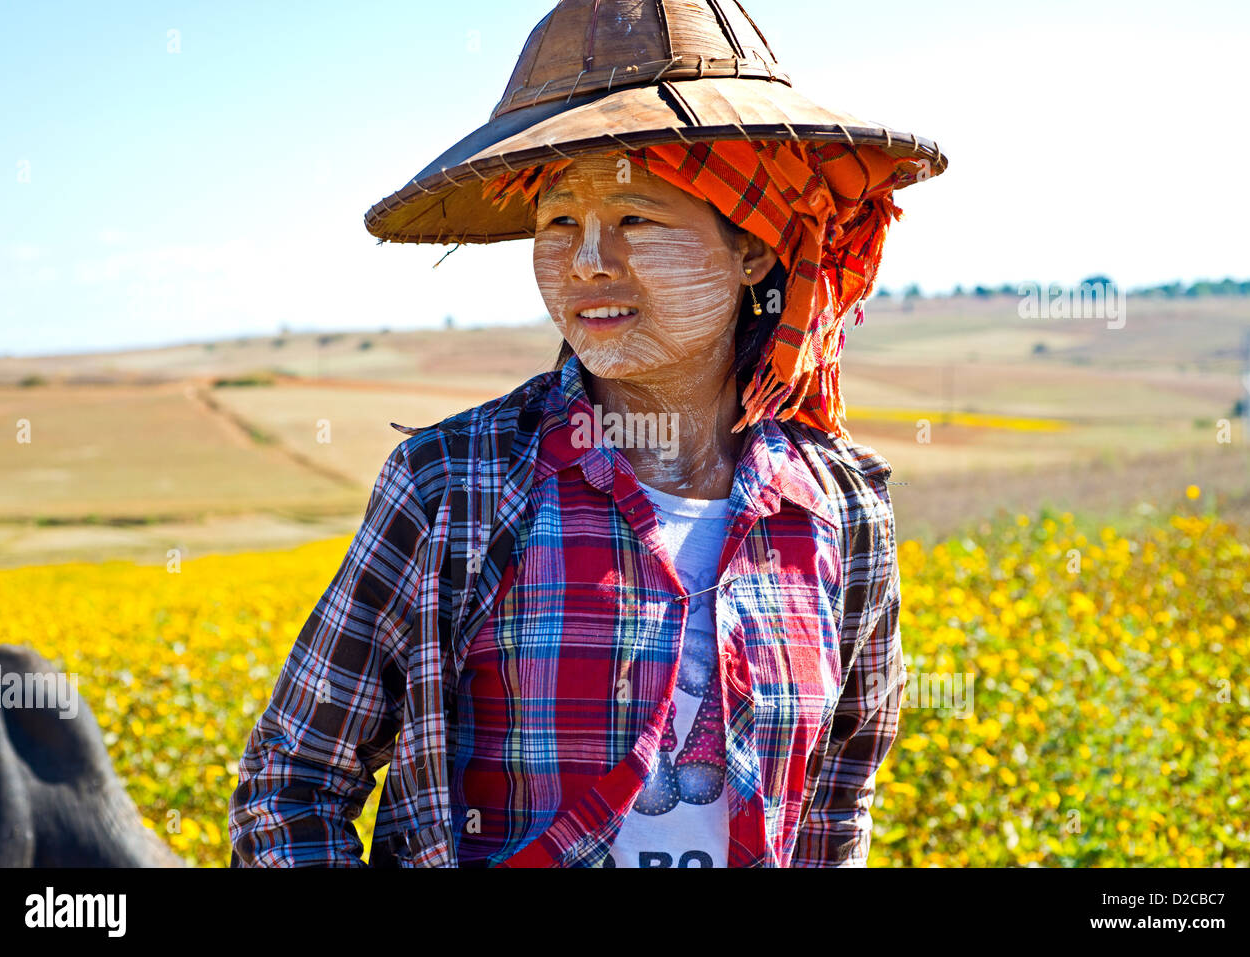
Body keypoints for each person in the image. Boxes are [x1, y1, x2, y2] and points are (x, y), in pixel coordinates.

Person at [229, 0, 946, 868]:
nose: (587, 261)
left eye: (636, 218)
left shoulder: (843, 508)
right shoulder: (458, 484)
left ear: (753, 250)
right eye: (560, 221)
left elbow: (837, 798)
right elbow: (292, 782)